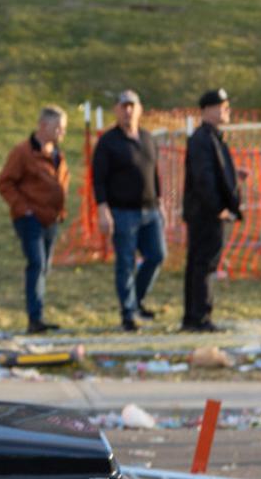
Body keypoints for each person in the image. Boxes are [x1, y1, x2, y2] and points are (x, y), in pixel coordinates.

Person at [92, 90, 166, 331]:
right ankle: (128, 312)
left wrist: (161, 201)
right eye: (123, 107)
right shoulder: (108, 141)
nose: (128, 111)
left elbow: (155, 172)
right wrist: (103, 209)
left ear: (140, 109)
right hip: (122, 211)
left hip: (150, 209)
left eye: (132, 106)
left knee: (156, 255)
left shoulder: (147, 137)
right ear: (116, 110)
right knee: (125, 262)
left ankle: (137, 300)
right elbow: (99, 178)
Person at [0, 106, 71, 335]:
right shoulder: (23, 152)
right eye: (57, 127)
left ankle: (38, 314)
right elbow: (5, 183)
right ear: (42, 126)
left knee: (44, 266)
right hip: (30, 219)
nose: (61, 132)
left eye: (64, 128)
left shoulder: (58, 154)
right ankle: (34, 318)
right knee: (37, 263)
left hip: (52, 218)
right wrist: (24, 209)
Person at [181, 88, 246, 333]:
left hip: (206, 211)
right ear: (207, 110)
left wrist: (234, 175)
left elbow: (214, 170)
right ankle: (199, 317)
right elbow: (203, 178)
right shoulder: (202, 139)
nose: (226, 111)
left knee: (201, 264)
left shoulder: (212, 137)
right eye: (222, 106)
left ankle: (194, 316)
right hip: (205, 213)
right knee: (204, 265)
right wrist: (218, 208)